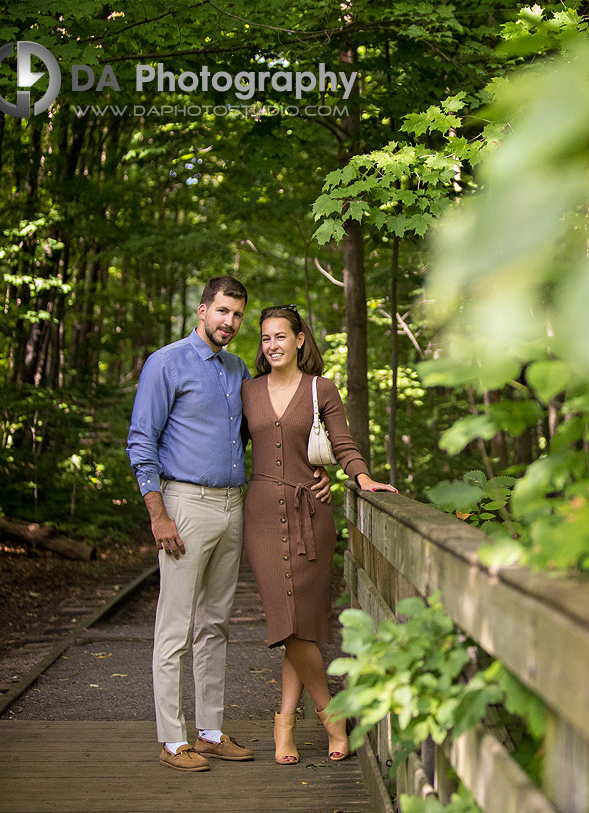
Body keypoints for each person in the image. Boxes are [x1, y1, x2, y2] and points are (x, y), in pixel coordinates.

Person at [126, 277, 331, 772]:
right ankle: (173, 740)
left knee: (215, 623)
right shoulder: (166, 363)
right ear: (202, 310)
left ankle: (211, 731)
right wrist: (158, 514)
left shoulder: (238, 370)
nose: (230, 323)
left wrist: (317, 470)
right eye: (222, 311)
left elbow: (272, 435)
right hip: (184, 505)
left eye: (238, 316)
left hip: (232, 506)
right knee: (176, 625)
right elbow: (140, 441)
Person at [240, 304, 396, 765]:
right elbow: (227, 446)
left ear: (300, 339)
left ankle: (284, 722)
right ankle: (332, 712)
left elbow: (343, 442)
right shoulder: (247, 391)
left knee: (301, 623)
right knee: (285, 621)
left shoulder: (319, 389)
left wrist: (361, 478)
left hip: (312, 513)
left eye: (280, 337)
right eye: (266, 338)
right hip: (263, 513)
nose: (272, 346)